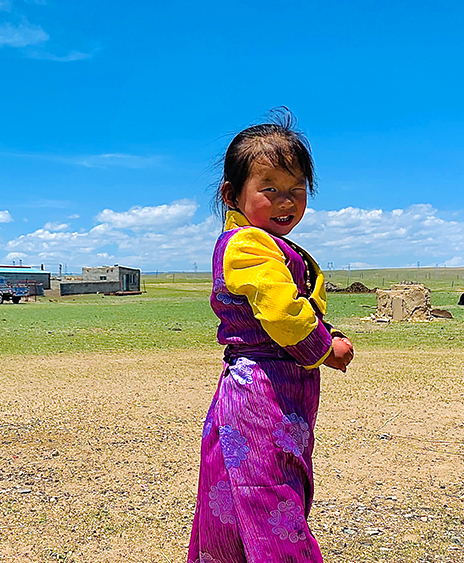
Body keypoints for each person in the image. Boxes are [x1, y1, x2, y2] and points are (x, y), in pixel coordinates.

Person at [189, 109, 354, 563]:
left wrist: (326, 332)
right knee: (270, 495)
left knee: (243, 487)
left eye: (297, 190)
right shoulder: (247, 244)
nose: (287, 202)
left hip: (276, 384)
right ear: (232, 194)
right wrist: (326, 349)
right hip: (262, 389)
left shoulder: (267, 243)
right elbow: (281, 312)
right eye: (271, 190)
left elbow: (290, 304)